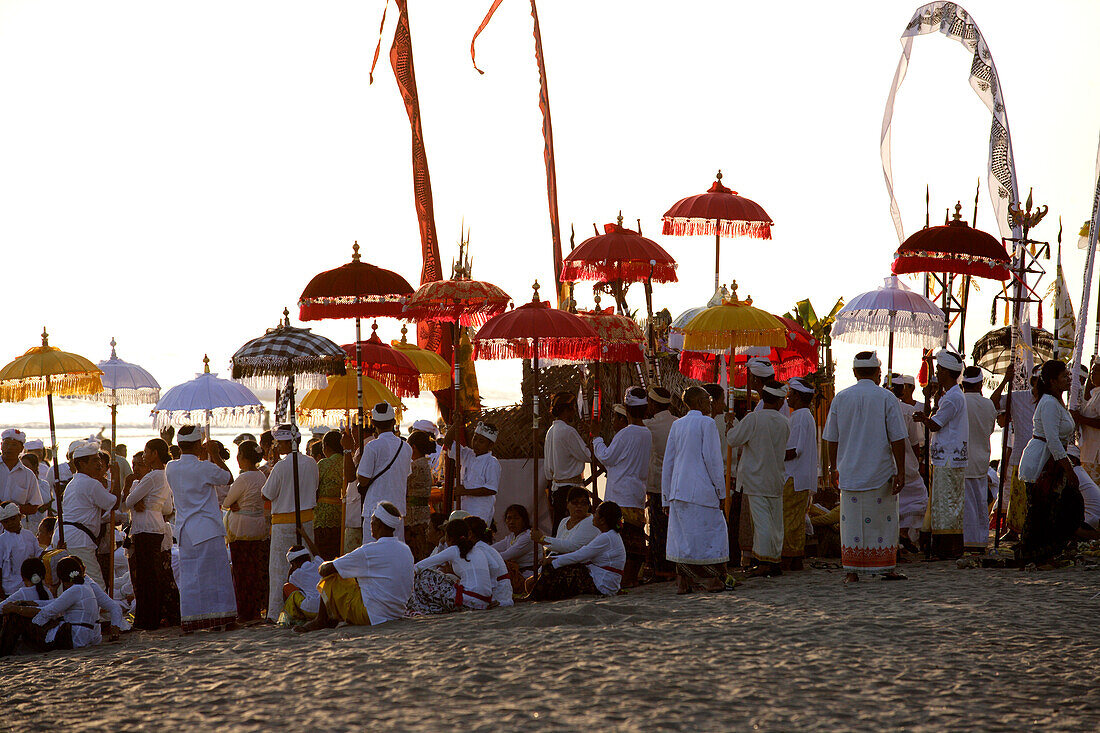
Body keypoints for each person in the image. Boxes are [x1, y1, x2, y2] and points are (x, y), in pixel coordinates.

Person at [822, 352, 907, 583]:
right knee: (883, 522)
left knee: (852, 525)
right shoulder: (887, 398)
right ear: (878, 373)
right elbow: (898, 438)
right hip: (880, 473)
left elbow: (831, 438)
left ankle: (852, 571)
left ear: (854, 372)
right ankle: (886, 568)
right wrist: (901, 471)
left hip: (849, 473)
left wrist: (832, 468)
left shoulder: (841, 398)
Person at [297, 501, 414, 631]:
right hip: (396, 613)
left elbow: (324, 570)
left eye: (373, 520)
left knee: (332, 576)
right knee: (347, 574)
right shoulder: (405, 549)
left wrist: (324, 564)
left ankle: (321, 619)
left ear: (379, 524)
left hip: (373, 615)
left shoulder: (369, 551)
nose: (370, 523)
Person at [165, 426, 237, 633]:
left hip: (185, 529)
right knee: (217, 575)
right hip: (206, 528)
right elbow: (227, 477)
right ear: (198, 444)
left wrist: (203, 456)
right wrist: (214, 455)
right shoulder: (204, 467)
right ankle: (222, 619)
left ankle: (191, 620)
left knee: (190, 576)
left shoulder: (171, 467)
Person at [663, 386, 730, 593]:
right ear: (699, 403)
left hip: (678, 490)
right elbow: (713, 461)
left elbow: (669, 462)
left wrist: (666, 496)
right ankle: (711, 581)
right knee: (709, 536)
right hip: (701, 491)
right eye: (707, 399)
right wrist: (721, 492)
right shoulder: (707, 423)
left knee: (683, 539)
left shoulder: (678, 425)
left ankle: (683, 582)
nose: (710, 403)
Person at [1016, 360, 1082, 563]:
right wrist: (1069, 469)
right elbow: (1053, 440)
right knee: (1041, 509)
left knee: (1058, 506)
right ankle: (1035, 554)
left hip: (1052, 461)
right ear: (1053, 381)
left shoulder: (1056, 402)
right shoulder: (1049, 403)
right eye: (1064, 376)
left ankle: (1048, 551)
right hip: (1041, 460)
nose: (1068, 379)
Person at [727, 381, 790, 577]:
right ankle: (774, 559)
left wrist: (731, 424)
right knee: (775, 523)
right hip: (776, 477)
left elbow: (732, 439)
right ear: (779, 402)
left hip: (756, 479)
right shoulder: (784, 421)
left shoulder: (753, 419)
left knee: (762, 522)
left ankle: (764, 562)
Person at [0, 556, 122, 655]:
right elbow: (57, 603)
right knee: (19, 612)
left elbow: (47, 611)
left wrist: (17, 609)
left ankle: (3, 652)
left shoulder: (75, 590)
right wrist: (30, 604)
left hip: (76, 639)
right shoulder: (86, 586)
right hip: (85, 636)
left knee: (16, 617)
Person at [592, 388, 652, 587]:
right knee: (635, 538)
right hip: (636, 492)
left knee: (622, 540)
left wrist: (597, 439)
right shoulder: (646, 434)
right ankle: (631, 578)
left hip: (620, 493)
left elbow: (607, 457)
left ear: (627, 409)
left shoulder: (626, 434)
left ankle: (623, 578)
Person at [913, 350, 969, 559]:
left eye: (939, 370)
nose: (936, 373)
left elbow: (936, 424)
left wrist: (922, 418)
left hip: (948, 457)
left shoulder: (952, 398)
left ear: (946, 372)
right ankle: (944, 547)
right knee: (945, 502)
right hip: (947, 457)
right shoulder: (950, 396)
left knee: (946, 504)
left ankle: (945, 549)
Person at [261, 424, 319, 622]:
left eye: (279, 443)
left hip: (284, 524)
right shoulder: (311, 463)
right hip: (307, 520)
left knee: (279, 569)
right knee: (307, 567)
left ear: (288, 443)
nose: (277, 446)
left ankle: (276, 613)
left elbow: (266, 493)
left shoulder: (282, 466)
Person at [124, 438, 180, 630]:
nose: (145, 455)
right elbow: (166, 506)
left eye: (147, 452)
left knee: (147, 577)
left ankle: (148, 619)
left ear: (155, 453)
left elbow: (130, 500)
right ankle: (153, 617)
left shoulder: (152, 476)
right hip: (156, 524)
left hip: (145, 527)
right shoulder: (164, 476)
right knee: (153, 575)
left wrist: (137, 495)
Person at [53, 440, 118, 589]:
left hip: (65, 535)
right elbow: (114, 503)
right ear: (82, 464)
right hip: (79, 540)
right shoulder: (90, 483)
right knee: (96, 585)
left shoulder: (74, 483)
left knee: (68, 584)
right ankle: (98, 612)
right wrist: (117, 477)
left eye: (99, 459)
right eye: (95, 460)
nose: (100, 464)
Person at [530, 501, 627, 601]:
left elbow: (580, 555)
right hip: (602, 580)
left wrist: (553, 560)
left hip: (602, 584)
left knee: (555, 567)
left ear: (602, 520)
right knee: (560, 563)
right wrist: (554, 559)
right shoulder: (608, 535)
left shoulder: (607, 537)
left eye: (596, 513)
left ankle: (536, 597)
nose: (593, 515)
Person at [221, 440, 269, 623]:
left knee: (242, 571)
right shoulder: (261, 476)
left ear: (243, 457)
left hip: (242, 528)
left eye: (239, 454)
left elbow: (226, 502)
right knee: (255, 570)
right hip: (258, 525)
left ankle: (246, 612)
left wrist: (232, 504)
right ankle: (255, 609)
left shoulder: (244, 478)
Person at [992, 364, 1041, 536]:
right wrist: (1006, 379)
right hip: (1020, 456)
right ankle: (1013, 531)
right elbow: (994, 402)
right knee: (1017, 498)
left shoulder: (1052, 400)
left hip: (1043, 458)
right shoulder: (1019, 397)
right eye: (1036, 382)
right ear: (1032, 382)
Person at [409, 516, 492, 614]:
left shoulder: (454, 550)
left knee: (424, 575)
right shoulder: (478, 550)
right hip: (484, 601)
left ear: (448, 537)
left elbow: (420, 566)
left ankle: (418, 608)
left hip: (468, 601)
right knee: (448, 578)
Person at [888, 375, 928, 551]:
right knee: (918, 499)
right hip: (906, 464)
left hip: (886, 465)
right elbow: (914, 443)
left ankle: (901, 534)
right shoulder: (906, 411)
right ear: (902, 390)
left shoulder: (899, 410)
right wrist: (917, 463)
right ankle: (902, 533)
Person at [782, 377, 818, 570]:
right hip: (801, 476)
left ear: (797, 396)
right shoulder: (805, 416)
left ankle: (789, 557)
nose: (788, 397)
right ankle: (795, 556)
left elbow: (793, 450)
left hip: (793, 476)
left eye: (790, 394)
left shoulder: (799, 417)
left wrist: (771, 455)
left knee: (788, 518)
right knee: (795, 519)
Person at [357, 402, 412, 525]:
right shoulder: (406, 447)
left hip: (375, 511)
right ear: (393, 422)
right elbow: (406, 475)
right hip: (397, 510)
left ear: (373, 423)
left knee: (372, 545)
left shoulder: (372, 447)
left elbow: (363, 479)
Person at [960, 366, 996, 552]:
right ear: (981, 384)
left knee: (966, 505)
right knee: (980, 503)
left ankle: (968, 541)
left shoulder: (958, 401)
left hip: (961, 460)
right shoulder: (988, 405)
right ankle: (979, 541)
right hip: (981, 460)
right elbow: (989, 430)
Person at [543, 392, 592, 527]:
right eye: (573, 408)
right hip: (571, 491)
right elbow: (588, 455)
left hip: (556, 490)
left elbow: (547, 468)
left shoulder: (550, 431)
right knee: (576, 530)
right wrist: (592, 435)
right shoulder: (568, 431)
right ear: (567, 409)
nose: (574, 412)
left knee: (560, 530)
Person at [644, 387, 676, 578]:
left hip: (657, 483)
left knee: (657, 526)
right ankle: (672, 564)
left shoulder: (649, 425)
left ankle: (661, 568)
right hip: (675, 482)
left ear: (653, 404)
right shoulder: (677, 422)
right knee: (672, 525)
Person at [444, 421, 501, 524]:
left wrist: (465, 491)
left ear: (490, 445)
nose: (476, 443)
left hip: (480, 513)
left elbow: (491, 489)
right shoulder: (467, 454)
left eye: (481, 441)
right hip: (463, 509)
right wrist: (456, 424)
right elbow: (448, 442)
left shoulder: (492, 462)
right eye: (475, 439)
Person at [532, 486, 598, 560]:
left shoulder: (591, 522)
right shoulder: (564, 521)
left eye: (584, 503)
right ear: (567, 504)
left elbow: (572, 547)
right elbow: (557, 548)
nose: (579, 506)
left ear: (588, 505)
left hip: (580, 566)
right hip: (561, 562)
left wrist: (543, 539)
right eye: (575, 502)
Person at [466, 516, 513, 608]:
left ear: (470, 534)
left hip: (499, 597)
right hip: (501, 593)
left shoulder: (479, 549)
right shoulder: (481, 547)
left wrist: (488, 597)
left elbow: (494, 568)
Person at [314, 430, 345, 560]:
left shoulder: (323, 464)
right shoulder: (347, 461)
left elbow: (314, 488)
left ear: (326, 446)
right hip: (342, 513)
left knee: (324, 555)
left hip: (324, 515)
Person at [404, 430, 436, 561]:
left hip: (412, 515)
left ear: (413, 448)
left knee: (415, 550)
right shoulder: (424, 464)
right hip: (422, 512)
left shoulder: (414, 466)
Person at [491, 504, 536, 592]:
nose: (511, 522)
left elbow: (506, 555)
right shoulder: (511, 537)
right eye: (509, 518)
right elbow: (492, 548)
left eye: (516, 518)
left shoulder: (528, 536)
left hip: (527, 576)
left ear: (524, 521)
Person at [0, 502, 40, 598]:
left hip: (30, 585)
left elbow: (39, 554)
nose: (10, 523)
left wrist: (56, 550)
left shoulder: (29, 535)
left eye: (13, 519)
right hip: (9, 588)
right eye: (6, 521)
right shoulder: (2, 540)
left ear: (19, 516)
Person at [1070, 360, 1100, 483]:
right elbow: (1087, 394)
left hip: (1096, 455)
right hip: (1087, 452)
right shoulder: (1095, 394)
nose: (1092, 374)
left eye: (1095, 371)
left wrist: (1080, 419)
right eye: (1092, 371)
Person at [1, 429, 41, 520]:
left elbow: (34, 507)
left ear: (22, 449)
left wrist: (11, 510)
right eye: (6, 444)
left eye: (14, 445)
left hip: (15, 527)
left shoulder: (28, 475)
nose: (9, 448)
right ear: (1, 446)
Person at [278, 546, 322, 626]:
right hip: (325, 609)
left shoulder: (296, 574)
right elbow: (316, 553)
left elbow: (289, 584)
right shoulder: (319, 564)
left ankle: (293, 618)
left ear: (293, 564)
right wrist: (305, 536)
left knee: (286, 587)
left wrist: (292, 569)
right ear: (308, 557)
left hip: (311, 611)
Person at [1068, 445, 1100, 539]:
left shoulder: (1073, 473)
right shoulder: (1079, 471)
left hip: (1090, 520)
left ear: (1073, 460)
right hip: (1094, 518)